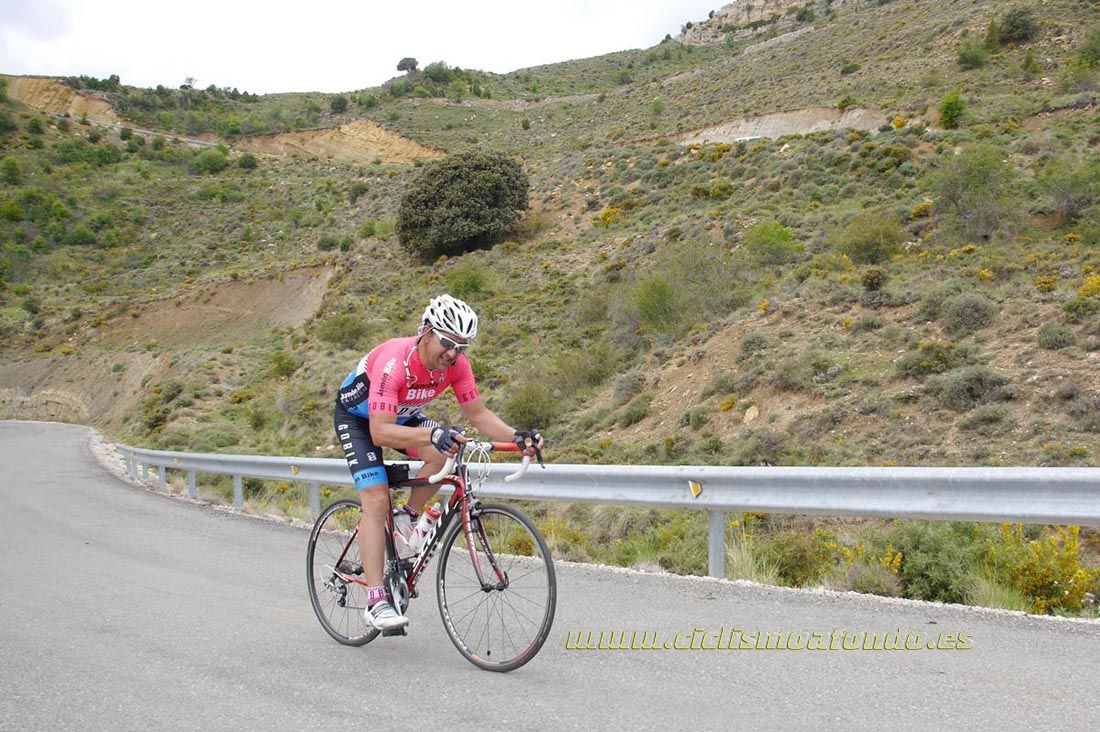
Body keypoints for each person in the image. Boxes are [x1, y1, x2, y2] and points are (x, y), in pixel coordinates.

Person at [334, 294, 544, 631]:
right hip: (361, 421)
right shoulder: (394, 363)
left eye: (462, 347)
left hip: (403, 417)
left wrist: (517, 437)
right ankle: (375, 602)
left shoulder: (458, 366)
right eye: (447, 343)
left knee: (447, 448)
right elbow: (380, 431)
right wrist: (432, 434)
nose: (453, 354)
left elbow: (478, 414)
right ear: (427, 332)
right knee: (376, 499)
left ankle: (407, 515)